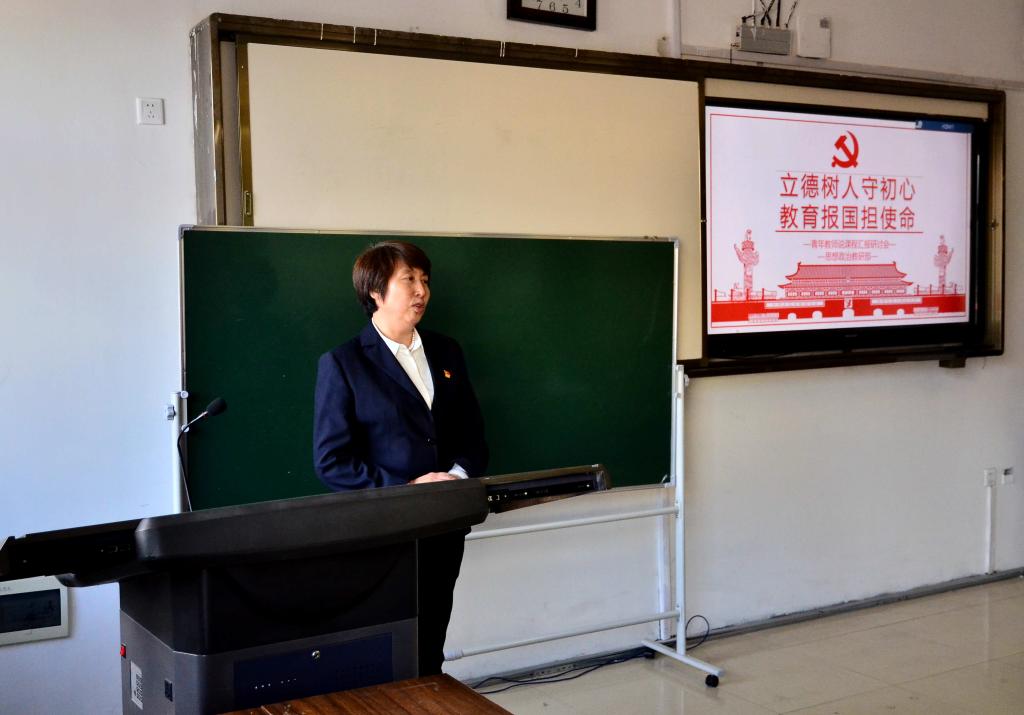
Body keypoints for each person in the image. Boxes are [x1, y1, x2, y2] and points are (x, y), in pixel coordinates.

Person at [313, 240, 488, 675]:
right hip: (384, 529)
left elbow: (473, 434)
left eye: (425, 280)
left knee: (431, 639)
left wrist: (456, 478)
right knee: (385, 648)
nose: (421, 291)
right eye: (408, 280)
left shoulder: (447, 351)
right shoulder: (344, 363)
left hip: (445, 521)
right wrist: (407, 489)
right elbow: (331, 460)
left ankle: (428, 694)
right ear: (376, 290)